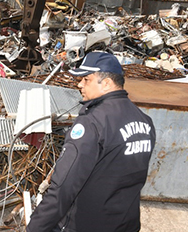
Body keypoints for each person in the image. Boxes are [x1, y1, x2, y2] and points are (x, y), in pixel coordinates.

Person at [28, 52, 156, 232]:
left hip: (87, 224)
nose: (79, 84)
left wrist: (35, 228)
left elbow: (63, 187)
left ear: (106, 83)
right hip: (126, 223)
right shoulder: (144, 121)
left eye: (86, 79)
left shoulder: (91, 124)